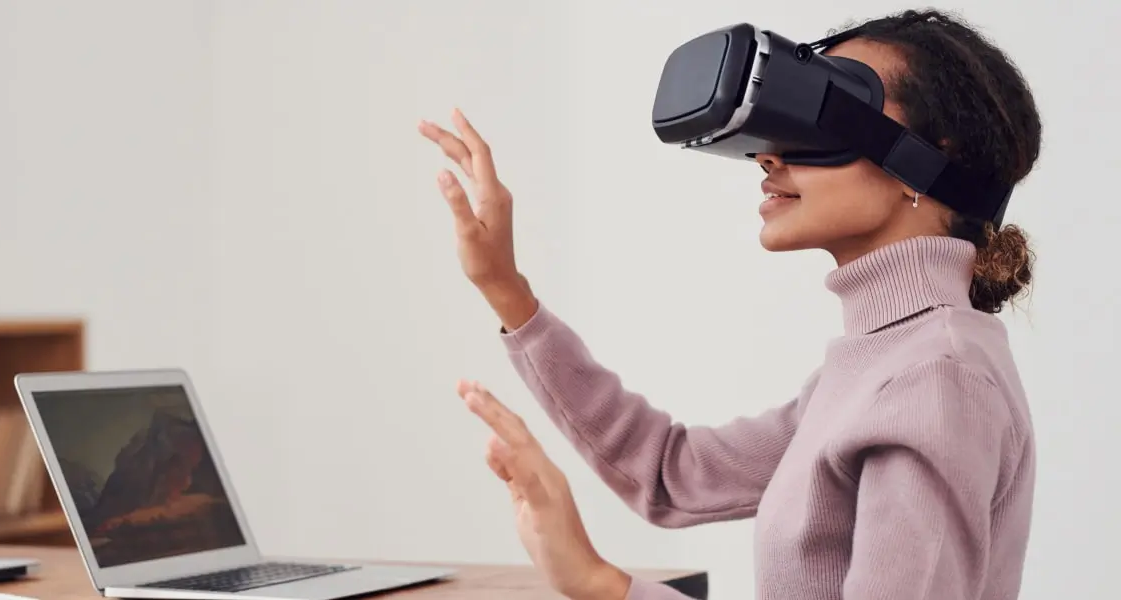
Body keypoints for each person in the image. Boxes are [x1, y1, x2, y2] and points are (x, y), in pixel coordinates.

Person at [418, 8, 1040, 600]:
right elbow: (673, 476)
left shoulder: (936, 381)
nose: (767, 154)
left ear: (927, 159)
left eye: (825, 116)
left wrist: (599, 582)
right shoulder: (885, 366)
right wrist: (507, 289)